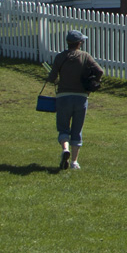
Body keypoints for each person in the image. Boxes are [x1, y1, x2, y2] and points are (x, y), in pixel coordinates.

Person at [47, 30, 104, 171]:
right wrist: (92, 85)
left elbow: (52, 78)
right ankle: (74, 162)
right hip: (81, 97)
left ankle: (65, 149)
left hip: (63, 97)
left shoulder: (60, 57)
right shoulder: (85, 56)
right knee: (77, 129)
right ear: (79, 43)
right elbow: (100, 71)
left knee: (63, 127)